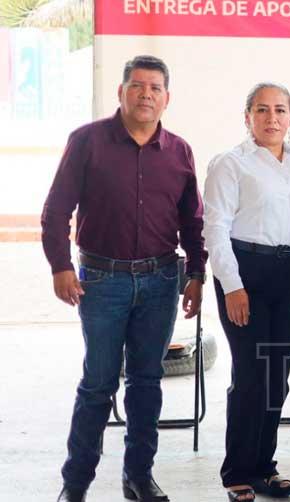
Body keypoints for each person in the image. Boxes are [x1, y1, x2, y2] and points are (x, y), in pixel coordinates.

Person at [41, 55, 205, 502]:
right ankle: (76, 484)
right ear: (121, 92)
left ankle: (138, 476)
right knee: (98, 383)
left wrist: (195, 272)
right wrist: (60, 266)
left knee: (147, 382)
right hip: (101, 281)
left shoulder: (179, 151)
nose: (146, 94)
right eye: (137, 85)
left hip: (160, 281)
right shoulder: (87, 141)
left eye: (155, 88)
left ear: (166, 98)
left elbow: (192, 220)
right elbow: (56, 209)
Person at [203, 83, 290, 501]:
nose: (272, 118)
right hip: (244, 271)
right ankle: (237, 471)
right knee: (250, 375)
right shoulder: (230, 163)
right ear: (247, 116)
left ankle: (264, 467)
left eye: (280, 110)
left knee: (277, 376)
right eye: (262, 109)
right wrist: (232, 285)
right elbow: (215, 229)